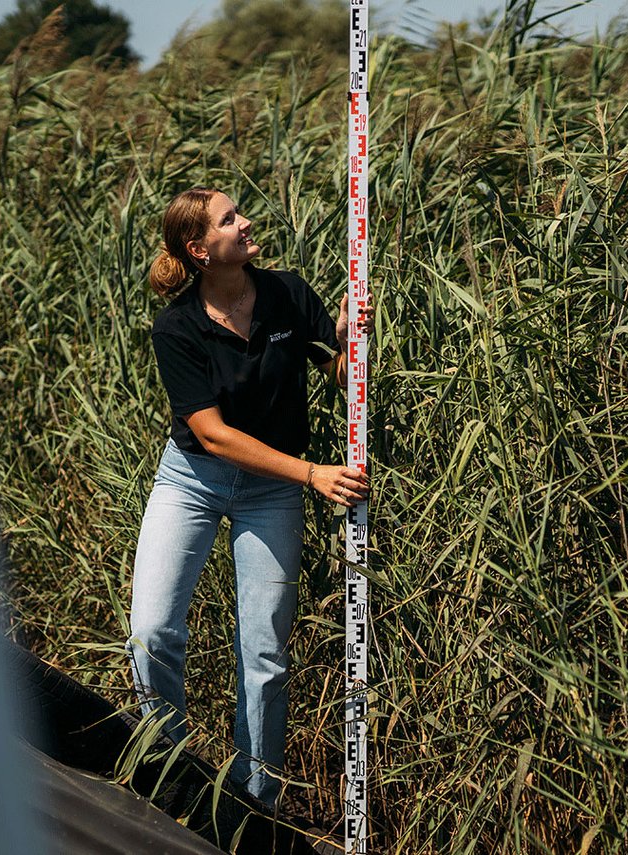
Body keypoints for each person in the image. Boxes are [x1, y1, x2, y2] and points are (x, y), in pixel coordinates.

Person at [125, 186, 370, 807]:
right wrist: (312, 473)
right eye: (228, 219)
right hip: (194, 480)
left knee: (264, 650)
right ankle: (171, 773)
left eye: (240, 213)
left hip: (272, 491)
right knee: (152, 631)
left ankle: (253, 801)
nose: (246, 222)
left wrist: (349, 342)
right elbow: (211, 434)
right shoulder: (176, 326)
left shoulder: (286, 292)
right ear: (199, 249)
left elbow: (339, 372)